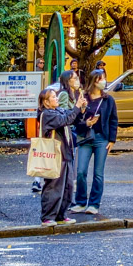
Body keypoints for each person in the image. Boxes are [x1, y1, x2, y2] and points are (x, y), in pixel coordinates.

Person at [69, 69, 118, 216]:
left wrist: (112, 140)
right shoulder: (83, 97)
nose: (103, 81)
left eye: (104, 78)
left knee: (98, 173)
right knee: (81, 171)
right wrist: (85, 118)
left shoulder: (108, 100)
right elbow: (75, 120)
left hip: (102, 138)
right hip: (85, 138)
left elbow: (113, 120)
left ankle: (94, 204)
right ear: (94, 81)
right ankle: (80, 202)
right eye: (100, 79)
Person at [37, 87, 85, 225]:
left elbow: (72, 117)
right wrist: (76, 107)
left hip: (66, 153)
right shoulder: (47, 114)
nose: (56, 98)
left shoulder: (59, 110)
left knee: (67, 186)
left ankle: (61, 215)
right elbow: (65, 120)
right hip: (54, 155)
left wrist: (81, 109)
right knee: (54, 186)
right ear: (46, 102)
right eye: (53, 97)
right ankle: (48, 216)